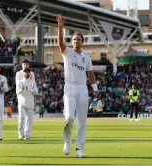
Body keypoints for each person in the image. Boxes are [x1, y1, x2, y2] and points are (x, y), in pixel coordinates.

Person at [57, 14, 98, 158]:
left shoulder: (86, 57)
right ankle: (67, 142)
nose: (76, 41)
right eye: (74, 39)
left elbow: (90, 73)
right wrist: (60, 27)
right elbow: (60, 44)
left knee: (82, 120)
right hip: (69, 87)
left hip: (82, 88)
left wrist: (96, 90)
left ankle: (79, 149)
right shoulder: (67, 52)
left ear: (82, 42)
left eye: (78, 39)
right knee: (69, 117)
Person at [16, 67, 38, 140]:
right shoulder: (20, 82)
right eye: (25, 72)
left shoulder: (32, 82)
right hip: (22, 103)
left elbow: (36, 92)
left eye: (28, 72)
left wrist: (32, 88)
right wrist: (21, 89)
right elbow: (17, 92)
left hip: (30, 103)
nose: (27, 73)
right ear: (23, 73)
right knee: (21, 118)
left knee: (29, 120)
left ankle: (27, 134)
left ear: (30, 73)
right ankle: (20, 134)